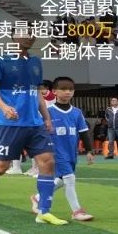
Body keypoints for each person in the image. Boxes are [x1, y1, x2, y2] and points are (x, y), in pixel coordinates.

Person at [0, 26, 69, 225]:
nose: (29, 36)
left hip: (34, 123)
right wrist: (4, 107)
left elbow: (36, 92)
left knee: (48, 162)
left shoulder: (35, 62)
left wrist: (46, 117)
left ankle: (44, 211)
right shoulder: (0, 61)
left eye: (32, 33)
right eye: (24, 33)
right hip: (9, 123)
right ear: (13, 37)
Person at [38, 77, 95, 221]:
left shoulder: (77, 112)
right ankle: (77, 211)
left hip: (71, 152)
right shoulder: (48, 112)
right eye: (63, 89)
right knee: (69, 178)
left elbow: (83, 132)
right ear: (54, 91)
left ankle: (38, 197)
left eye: (70, 89)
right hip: (55, 152)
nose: (67, 92)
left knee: (62, 179)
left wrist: (89, 150)